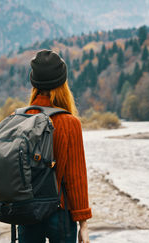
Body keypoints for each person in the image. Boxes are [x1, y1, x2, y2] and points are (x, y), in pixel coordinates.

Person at [17, 50, 92, 243]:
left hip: (26, 212)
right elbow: (75, 178)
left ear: (34, 83)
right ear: (62, 83)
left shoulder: (19, 119)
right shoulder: (69, 122)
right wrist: (83, 223)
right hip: (60, 212)